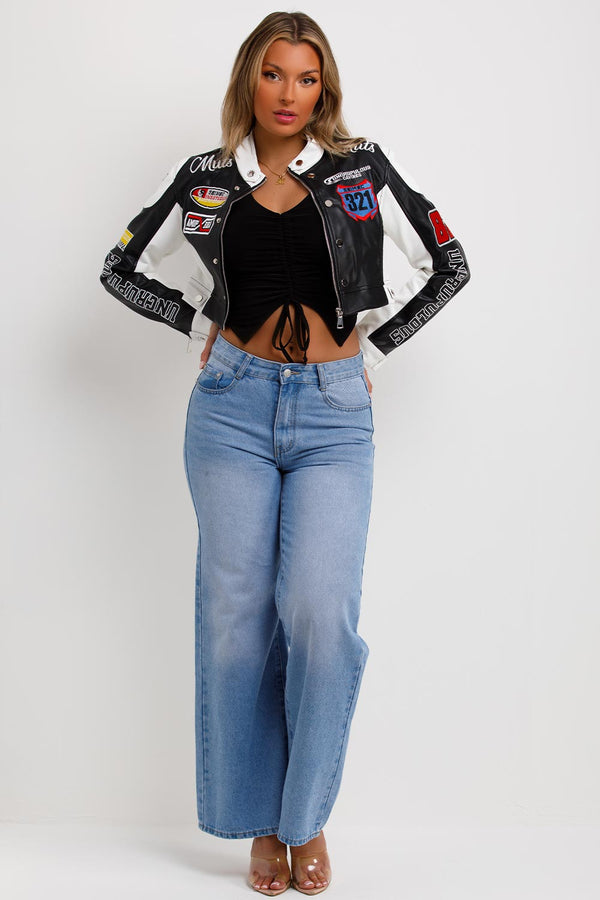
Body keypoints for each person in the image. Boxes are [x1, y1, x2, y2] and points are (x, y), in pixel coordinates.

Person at [99, 10, 470, 895]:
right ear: (249, 80)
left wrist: (375, 349)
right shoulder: (204, 177)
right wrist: (198, 322)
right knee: (236, 618)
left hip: (336, 415)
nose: (290, 93)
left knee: (318, 612)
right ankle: (262, 826)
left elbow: (448, 261)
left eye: (307, 78)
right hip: (229, 411)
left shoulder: (359, 168)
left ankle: (307, 817)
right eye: (274, 74)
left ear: (324, 87)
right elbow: (120, 267)